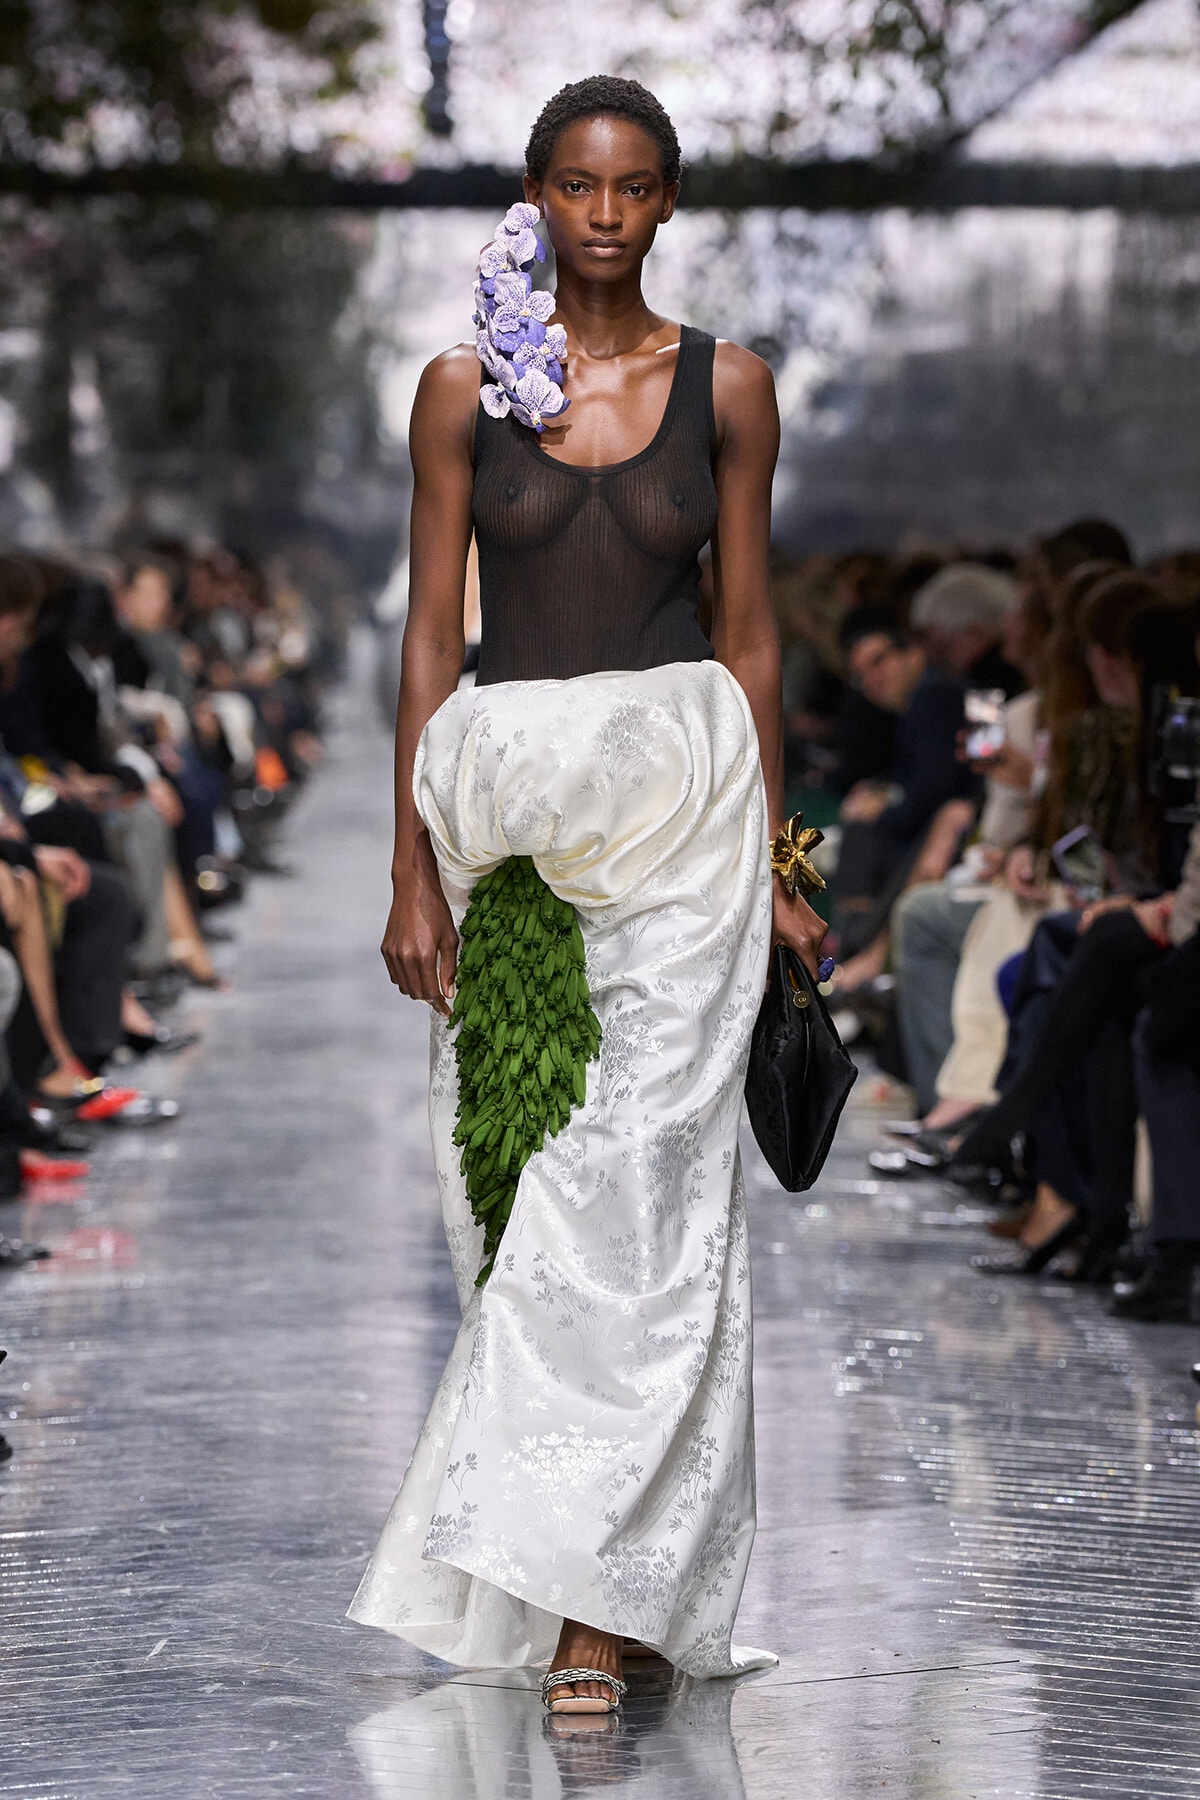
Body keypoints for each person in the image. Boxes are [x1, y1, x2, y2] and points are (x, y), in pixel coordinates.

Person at [348, 76, 827, 1717]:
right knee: (536, 1201)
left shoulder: (733, 388)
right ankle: (567, 1556)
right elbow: (429, 634)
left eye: (632, 188)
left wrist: (777, 867)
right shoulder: (460, 390)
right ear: (536, 195)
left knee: (660, 1199)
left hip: (689, 821)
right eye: (575, 183)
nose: (604, 214)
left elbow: (753, 633)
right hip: (513, 834)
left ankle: (602, 1609)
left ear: (670, 200)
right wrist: (408, 867)